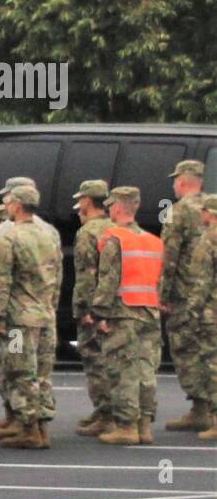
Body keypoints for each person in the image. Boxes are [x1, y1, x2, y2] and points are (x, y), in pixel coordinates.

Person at [92, 187, 165, 446]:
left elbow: (108, 280)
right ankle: (144, 426)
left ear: (120, 207)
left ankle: (126, 426)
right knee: (146, 369)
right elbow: (161, 281)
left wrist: (98, 313)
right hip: (150, 312)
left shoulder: (114, 238)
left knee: (123, 369)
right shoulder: (154, 241)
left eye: (111, 206)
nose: (109, 210)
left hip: (124, 312)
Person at [0, 185, 60, 449]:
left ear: (17, 205)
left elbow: (1, 282)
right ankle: (41, 426)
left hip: (20, 320)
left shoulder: (9, 238)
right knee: (41, 372)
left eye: (8, 202)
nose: (6, 206)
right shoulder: (48, 236)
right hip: (45, 315)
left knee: (20, 371)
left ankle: (28, 427)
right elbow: (57, 276)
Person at [160, 160, 211, 432]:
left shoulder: (176, 212)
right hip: (210, 294)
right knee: (209, 349)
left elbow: (169, 257)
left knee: (186, 349)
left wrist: (163, 294)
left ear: (181, 182)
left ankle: (201, 408)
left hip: (185, 293)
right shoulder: (211, 208)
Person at [69, 180, 115, 438]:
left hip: (94, 304)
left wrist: (86, 308)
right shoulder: (114, 228)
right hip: (112, 303)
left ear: (87, 201)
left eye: (81, 200)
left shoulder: (87, 232)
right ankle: (105, 410)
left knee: (94, 357)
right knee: (109, 356)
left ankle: (106, 412)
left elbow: (88, 273)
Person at [188, 194, 217, 442]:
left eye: (203, 211)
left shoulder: (208, 241)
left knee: (213, 367)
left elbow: (201, 282)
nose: (201, 215)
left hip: (212, 312)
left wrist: (192, 311)